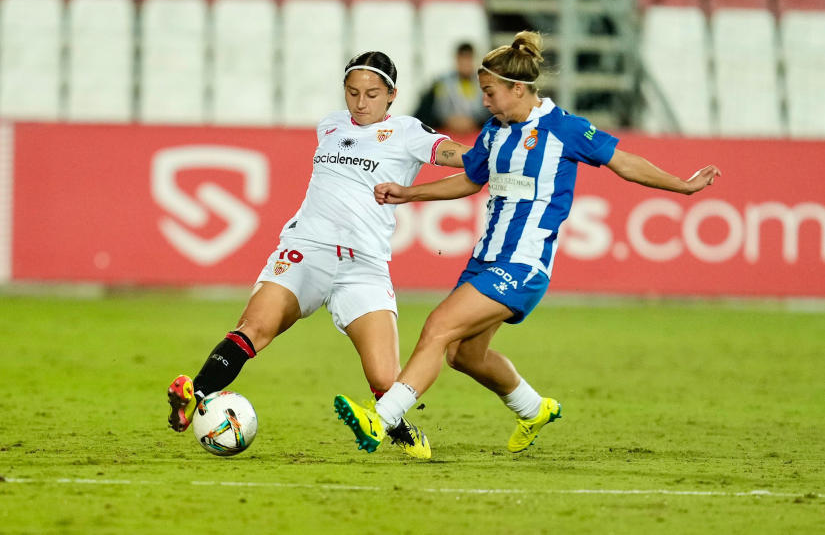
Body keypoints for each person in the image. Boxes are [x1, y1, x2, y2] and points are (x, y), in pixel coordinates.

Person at [334, 31, 721, 455]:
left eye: (489, 92)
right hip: (486, 258)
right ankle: (534, 408)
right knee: (463, 354)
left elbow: (624, 163)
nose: (483, 100)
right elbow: (470, 179)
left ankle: (383, 417)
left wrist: (682, 187)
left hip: (524, 263)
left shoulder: (564, 129)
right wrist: (410, 193)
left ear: (517, 89)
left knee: (439, 327)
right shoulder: (495, 131)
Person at [167, 51, 472, 459]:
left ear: (392, 95)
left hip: (364, 265)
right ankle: (197, 393)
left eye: (372, 94)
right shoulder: (329, 125)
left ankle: (396, 426)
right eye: (352, 92)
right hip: (305, 250)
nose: (360, 102)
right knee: (254, 327)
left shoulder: (409, 132)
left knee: (386, 379)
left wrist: (498, 154)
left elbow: (464, 159)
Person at [414, 43, 489, 134]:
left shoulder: (485, 84)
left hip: (477, 135)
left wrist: (475, 122)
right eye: (462, 59)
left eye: (468, 59)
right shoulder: (441, 83)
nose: (465, 64)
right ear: (456, 60)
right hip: (445, 134)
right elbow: (423, 113)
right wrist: (445, 121)